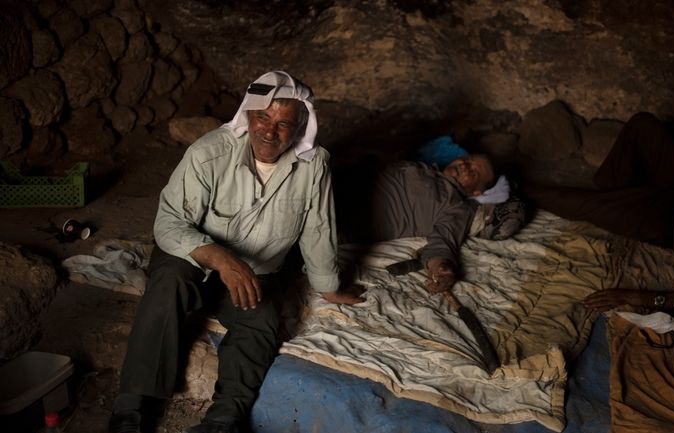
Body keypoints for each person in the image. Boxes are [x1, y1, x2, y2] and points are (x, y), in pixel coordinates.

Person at [108, 71, 364, 433]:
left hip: (257, 270)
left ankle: (224, 419)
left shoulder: (314, 164)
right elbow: (168, 223)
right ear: (248, 115)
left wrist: (327, 284)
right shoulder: (209, 153)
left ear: (298, 128)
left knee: (263, 317)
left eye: (283, 124)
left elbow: (318, 227)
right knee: (167, 285)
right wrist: (221, 258)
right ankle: (131, 410)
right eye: (263, 117)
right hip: (192, 259)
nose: (269, 130)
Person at [522, 112, 674, 329]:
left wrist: (637, 297)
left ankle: (510, 188)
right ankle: (614, 193)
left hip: (667, 222)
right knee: (643, 125)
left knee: (579, 204)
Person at [335, 153, 526, 294]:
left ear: (477, 192)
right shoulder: (427, 169)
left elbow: (443, 242)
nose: (465, 166)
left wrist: (441, 269)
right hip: (336, 184)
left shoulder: (457, 206)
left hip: (340, 218)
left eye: (473, 173)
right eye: (467, 160)